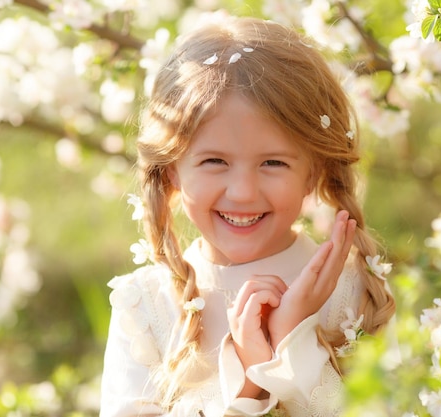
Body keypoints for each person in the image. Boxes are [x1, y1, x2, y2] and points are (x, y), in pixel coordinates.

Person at [100, 15, 396, 417]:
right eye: (214, 160)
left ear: (314, 171)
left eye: (273, 162)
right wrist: (249, 383)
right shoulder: (146, 308)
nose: (242, 192)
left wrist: (293, 342)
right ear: (172, 169)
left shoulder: (356, 295)